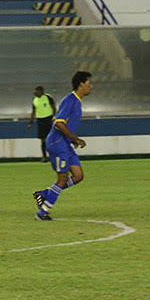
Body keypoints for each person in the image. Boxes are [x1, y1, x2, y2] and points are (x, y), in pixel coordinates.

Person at [33, 71, 93, 220]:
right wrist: (76, 138)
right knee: (62, 179)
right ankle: (42, 213)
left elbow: (60, 121)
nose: (91, 87)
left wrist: (71, 139)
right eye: (89, 83)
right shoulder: (70, 100)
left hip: (65, 143)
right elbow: (59, 123)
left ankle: (45, 194)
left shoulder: (76, 101)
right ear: (81, 84)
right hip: (57, 143)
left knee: (78, 176)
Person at [29, 85, 55, 160]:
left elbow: (54, 108)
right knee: (42, 139)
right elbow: (33, 112)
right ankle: (44, 156)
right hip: (40, 120)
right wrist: (31, 122)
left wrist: (54, 117)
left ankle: (53, 155)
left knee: (51, 138)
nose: (35, 93)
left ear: (41, 91)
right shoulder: (34, 100)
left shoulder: (48, 97)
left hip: (48, 119)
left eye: (36, 91)